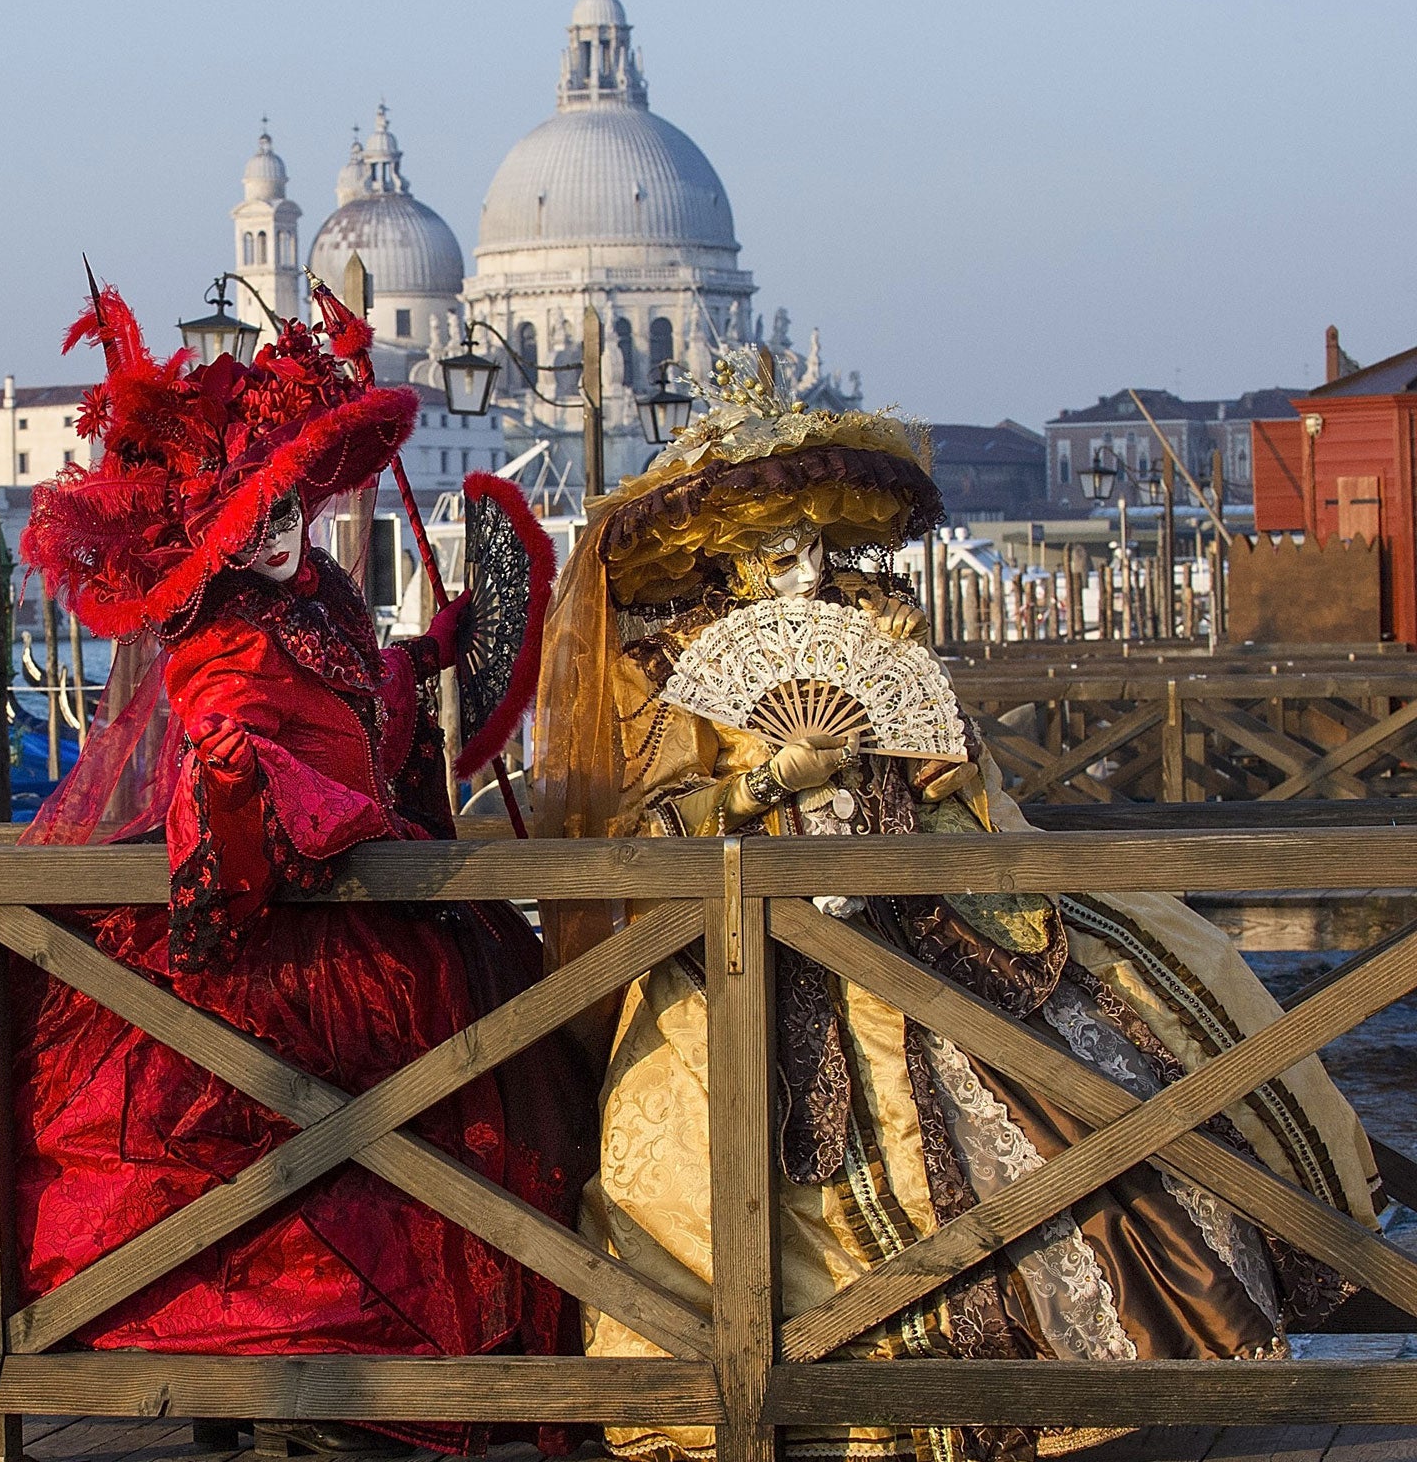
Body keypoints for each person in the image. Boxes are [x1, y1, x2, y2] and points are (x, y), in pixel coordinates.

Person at [532, 354, 1380, 1462]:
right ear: (728, 560)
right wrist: (763, 783)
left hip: (926, 920)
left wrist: (951, 775)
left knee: (1108, 1066)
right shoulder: (673, 670)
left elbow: (970, 788)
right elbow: (649, 835)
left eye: (822, 547)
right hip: (752, 953)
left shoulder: (882, 632)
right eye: (777, 551)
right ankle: (809, 1389)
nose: (806, 573)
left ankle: (1092, 1369)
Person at [0, 282, 589, 1457]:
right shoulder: (220, 640)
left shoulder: (320, 598)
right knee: (255, 1146)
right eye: (247, 515)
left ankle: (374, 1373)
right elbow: (240, 765)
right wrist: (259, 787)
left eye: (282, 504)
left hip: (362, 919)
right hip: (264, 936)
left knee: (412, 1131)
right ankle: (281, 1375)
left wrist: (421, 662)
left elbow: (360, 722)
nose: (273, 529)